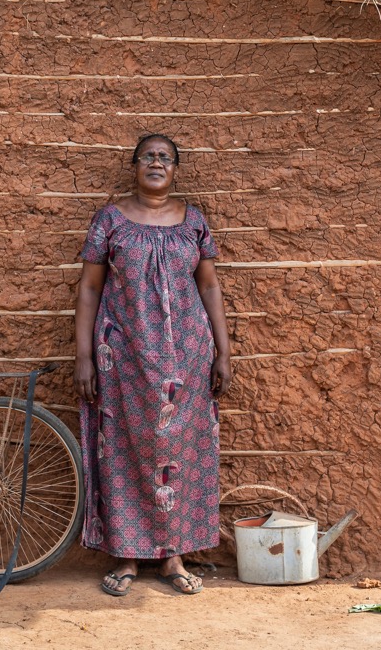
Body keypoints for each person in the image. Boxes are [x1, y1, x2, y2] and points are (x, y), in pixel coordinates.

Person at [74, 133, 232, 596]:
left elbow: (209, 287)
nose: (156, 162)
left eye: (165, 157)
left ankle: (173, 556)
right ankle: (126, 555)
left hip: (187, 359)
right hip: (123, 358)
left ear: (176, 168)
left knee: (181, 456)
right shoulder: (111, 220)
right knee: (122, 450)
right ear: (135, 166)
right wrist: (84, 355)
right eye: (148, 156)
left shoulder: (194, 222)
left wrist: (223, 350)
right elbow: (88, 289)